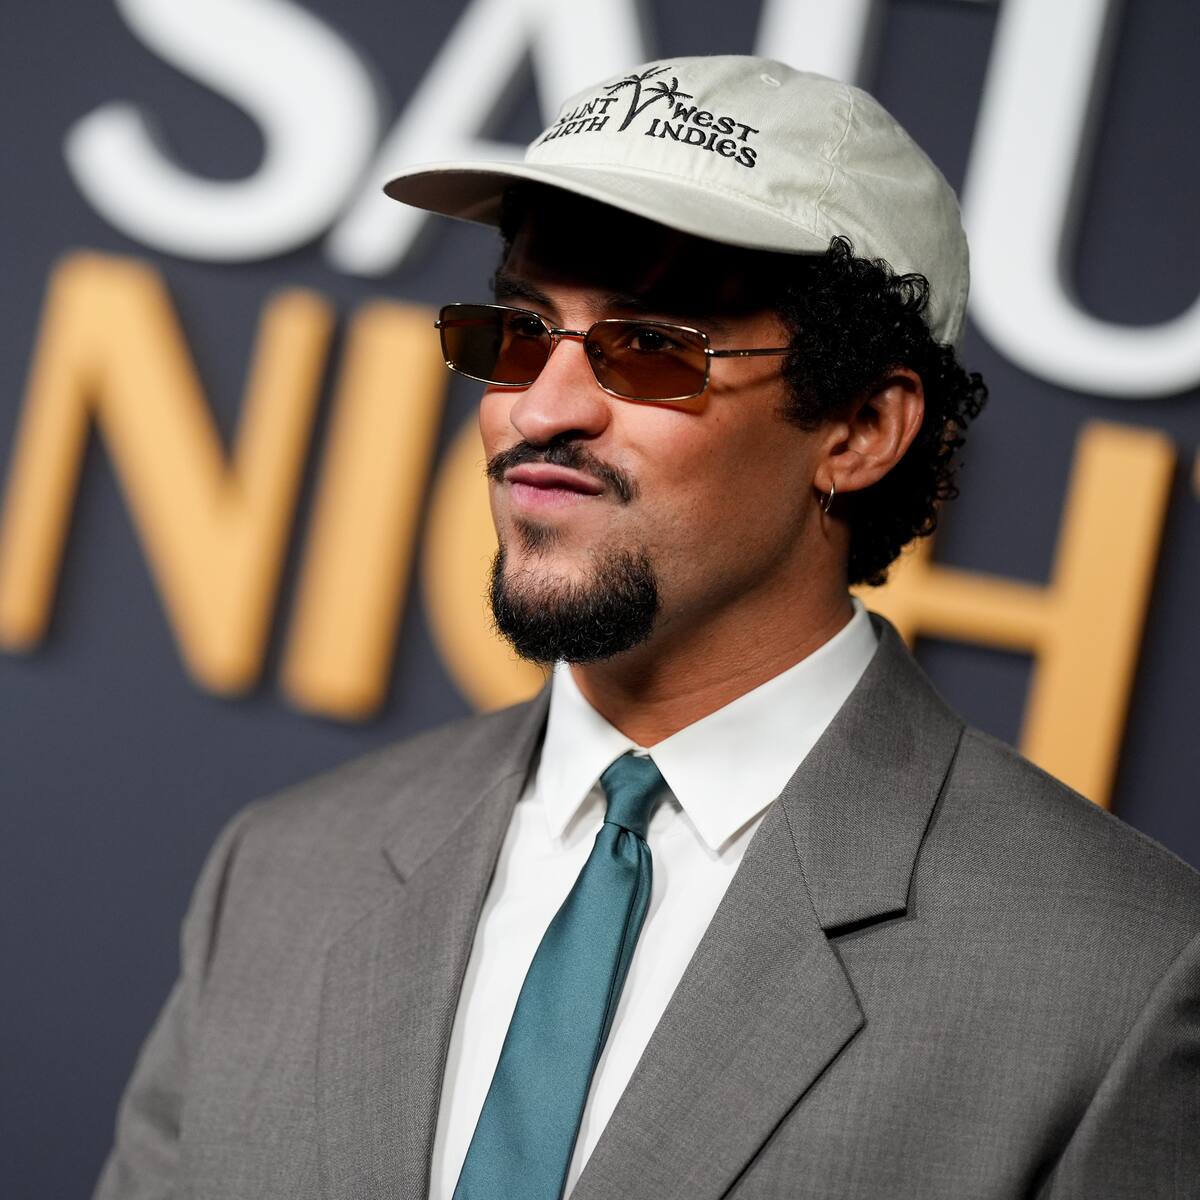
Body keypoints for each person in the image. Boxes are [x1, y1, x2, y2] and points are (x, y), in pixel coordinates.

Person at [94, 56, 1199, 1200]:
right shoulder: (280, 872)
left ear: (862, 429)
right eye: (521, 331)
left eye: (653, 348)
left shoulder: (1123, 975)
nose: (541, 407)